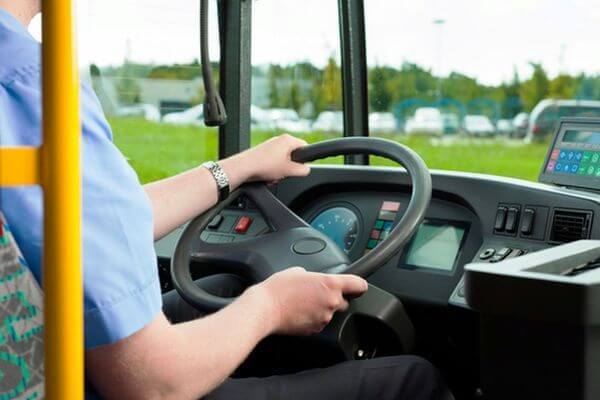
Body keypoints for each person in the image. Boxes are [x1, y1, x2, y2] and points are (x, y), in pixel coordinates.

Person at [0, 1, 452, 399]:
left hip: (40, 354)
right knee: (413, 380)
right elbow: (153, 385)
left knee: (225, 288)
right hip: (93, 383)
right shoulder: (32, 86)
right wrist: (271, 306)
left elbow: (95, 221)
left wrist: (239, 167)